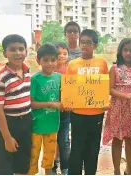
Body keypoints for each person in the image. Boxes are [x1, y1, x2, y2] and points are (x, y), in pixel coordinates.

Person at [66, 29, 109, 175]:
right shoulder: (72, 64)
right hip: (77, 113)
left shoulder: (102, 64)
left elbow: (105, 87)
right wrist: (68, 102)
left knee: (93, 148)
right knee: (77, 147)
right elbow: (69, 87)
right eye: (82, 42)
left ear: (95, 46)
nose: (84, 45)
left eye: (88, 42)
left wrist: (105, 101)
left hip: (96, 114)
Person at [102, 38, 131, 175]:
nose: (128, 53)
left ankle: (129, 169)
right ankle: (116, 170)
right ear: (120, 51)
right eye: (125, 50)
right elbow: (109, 90)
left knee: (130, 139)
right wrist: (125, 96)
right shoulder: (114, 68)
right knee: (116, 139)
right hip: (118, 108)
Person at [0, 34, 32, 175]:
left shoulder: (27, 73)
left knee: (23, 163)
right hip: (6, 124)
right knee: (4, 165)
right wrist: (7, 138)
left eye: (21, 49)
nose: (18, 53)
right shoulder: (1, 78)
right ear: (5, 53)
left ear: (26, 51)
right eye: (12, 49)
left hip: (25, 123)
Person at [28, 43, 63, 175]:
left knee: (50, 156)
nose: (50, 63)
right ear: (38, 61)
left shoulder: (59, 78)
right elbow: (31, 104)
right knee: (33, 156)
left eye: (53, 60)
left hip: (52, 125)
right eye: (46, 60)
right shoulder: (35, 80)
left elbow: (63, 98)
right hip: (36, 125)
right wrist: (50, 104)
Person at [52, 42, 70, 175]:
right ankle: (52, 166)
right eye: (59, 54)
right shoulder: (49, 71)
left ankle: (66, 168)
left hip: (66, 112)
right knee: (51, 140)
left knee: (64, 140)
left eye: (65, 53)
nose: (62, 56)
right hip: (50, 112)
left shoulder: (71, 69)